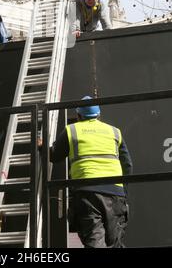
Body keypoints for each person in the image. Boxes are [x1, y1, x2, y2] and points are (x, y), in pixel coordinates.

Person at [41, 96, 133, 248]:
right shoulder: (114, 132)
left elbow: (55, 155)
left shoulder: (72, 130)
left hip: (88, 193)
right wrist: (123, 192)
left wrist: (41, 146)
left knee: (94, 240)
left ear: (78, 116)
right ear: (99, 115)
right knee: (115, 242)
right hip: (116, 193)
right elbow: (127, 164)